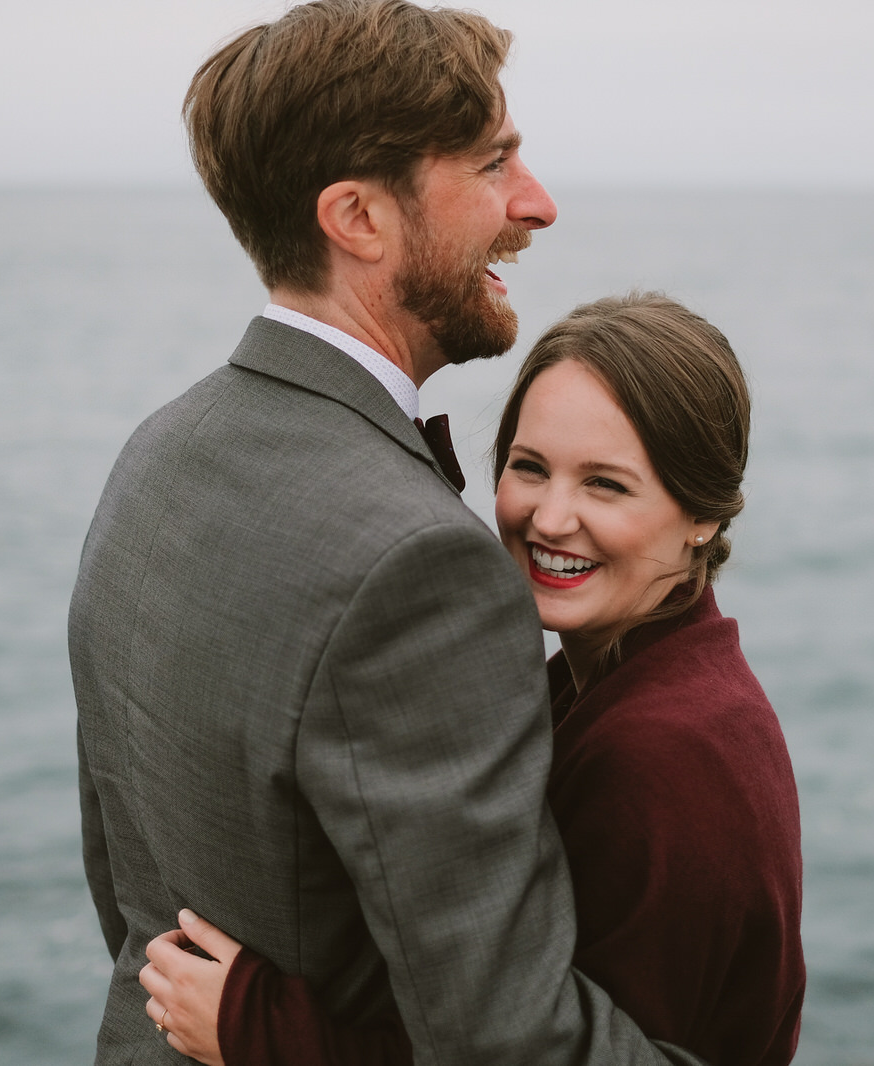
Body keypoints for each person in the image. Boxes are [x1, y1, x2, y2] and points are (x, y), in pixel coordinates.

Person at [69, 2, 707, 1064]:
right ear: (359, 218)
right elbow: (510, 1041)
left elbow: (131, 895)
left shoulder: (155, 453)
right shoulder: (422, 567)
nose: (536, 203)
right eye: (494, 161)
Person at [139, 294, 806, 1066]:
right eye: (529, 468)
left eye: (606, 485)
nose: (550, 518)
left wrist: (262, 1029)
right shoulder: (621, 683)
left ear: (703, 516)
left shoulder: (664, 753)